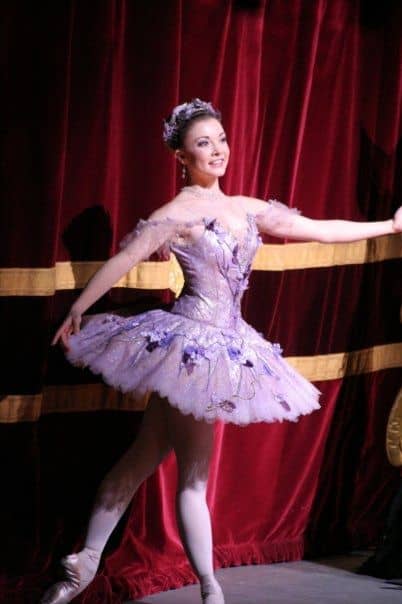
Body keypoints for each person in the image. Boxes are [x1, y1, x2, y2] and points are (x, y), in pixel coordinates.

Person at [40, 98, 402, 604]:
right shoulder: (176, 214)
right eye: (203, 142)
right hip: (191, 349)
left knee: (142, 456)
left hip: (227, 342)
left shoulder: (245, 208)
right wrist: (80, 306)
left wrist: (389, 227)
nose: (218, 150)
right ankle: (210, 591)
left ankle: (84, 564)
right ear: (181, 156)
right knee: (191, 477)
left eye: (222, 139)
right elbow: (126, 257)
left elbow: (319, 230)